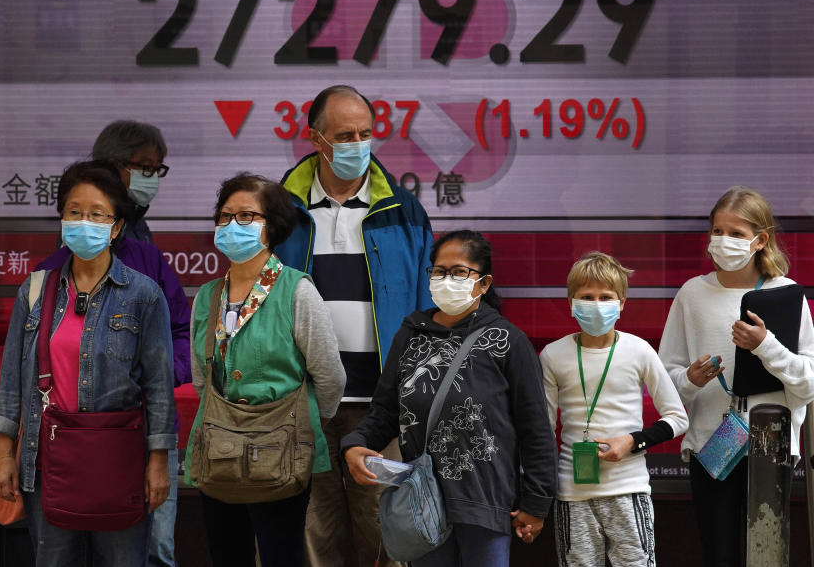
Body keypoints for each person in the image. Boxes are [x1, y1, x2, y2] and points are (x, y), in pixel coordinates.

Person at [274, 84, 434, 567]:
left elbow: (428, 311)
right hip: (303, 406)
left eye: (366, 133)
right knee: (310, 537)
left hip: (382, 410)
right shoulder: (279, 213)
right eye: (344, 135)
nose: (357, 144)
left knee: (386, 537)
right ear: (315, 138)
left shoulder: (403, 211)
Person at [0, 161, 177, 567]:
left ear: (116, 227)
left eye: (97, 214)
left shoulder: (144, 295)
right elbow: (11, 381)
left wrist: (159, 462)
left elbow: (160, 388)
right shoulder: (36, 290)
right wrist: (3, 454)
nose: (84, 222)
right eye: (74, 212)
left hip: (120, 458)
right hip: (49, 458)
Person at [342, 230, 556, 567]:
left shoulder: (508, 342)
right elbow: (385, 410)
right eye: (439, 271)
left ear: (484, 283)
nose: (446, 279)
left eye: (459, 271)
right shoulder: (410, 334)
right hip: (422, 501)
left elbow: (536, 430)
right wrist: (355, 443)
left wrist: (537, 502)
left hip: (485, 502)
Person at [184, 173, 346, 567]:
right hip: (219, 450)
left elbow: (330, 377)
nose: (231, 225)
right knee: (226, 555)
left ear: (271, 226)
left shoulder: (297, 290)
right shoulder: (207, 296)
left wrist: (299, 424)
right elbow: (201, 378)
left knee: (281, 555)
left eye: (246, 216)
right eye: (224, 217)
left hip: (282, 451)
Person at [659, 186, 814, 566]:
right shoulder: (692, 293)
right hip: (711, 444)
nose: (722, 241)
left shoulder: (787, 294)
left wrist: (766, 345)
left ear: (760, 240)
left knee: (766, 552)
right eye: (717, 231)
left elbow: (808, 382)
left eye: (736, 234)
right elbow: (666, 378)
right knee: (719, 552)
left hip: (769, 445)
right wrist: (691, 380)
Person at [540, 252, 688, 566]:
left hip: (629, 489)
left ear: (621, 303)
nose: (596, 304)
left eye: (605, 297)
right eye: (586, 297)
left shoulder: (639, 350)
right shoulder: (553, 356)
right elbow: (542, 428)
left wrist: (632, 441)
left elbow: (677, 418)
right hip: (572, 492)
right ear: (571, 303)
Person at [92, 120, 170, 243]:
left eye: (156, 169)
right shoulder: (91, 224)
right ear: (112, 167)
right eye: (146, 167)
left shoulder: (135, 219)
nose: (153, 177)